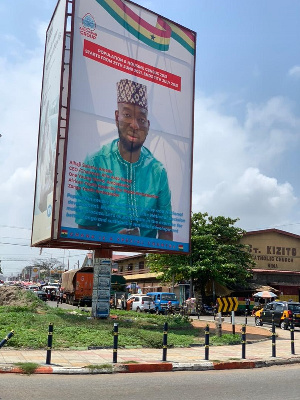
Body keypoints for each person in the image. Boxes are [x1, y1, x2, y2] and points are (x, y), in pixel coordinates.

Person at [75, 79, 173, 240]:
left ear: (148, 125)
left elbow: (166, 231)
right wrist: (112, 239)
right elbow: (86, 228)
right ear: (117, 117)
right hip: (105, 255)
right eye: (127, 115)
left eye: (141, 119)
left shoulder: (158, 172)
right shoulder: (95, 163)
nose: (134, 125)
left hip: (147, 257)